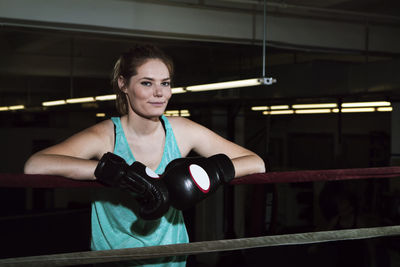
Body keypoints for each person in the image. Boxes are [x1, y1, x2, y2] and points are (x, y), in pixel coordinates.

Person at [24, 44, 266, 266]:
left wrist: (209, 173)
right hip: (115, 260)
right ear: (123, 84)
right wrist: (119, 174)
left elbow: (256, 162)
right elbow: (36, 164)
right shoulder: (107, 136)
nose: (159, 93)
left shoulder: (181, 131)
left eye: (166, 83)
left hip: (170, 260)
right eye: (147, 83)